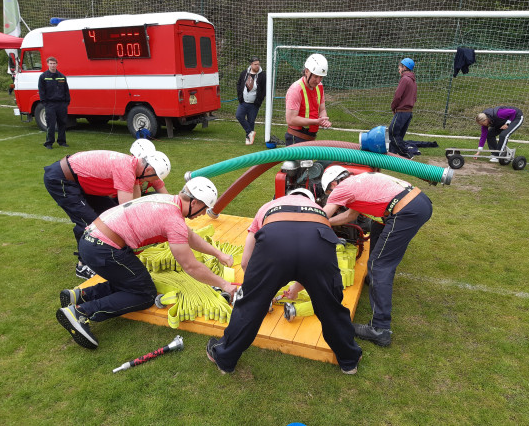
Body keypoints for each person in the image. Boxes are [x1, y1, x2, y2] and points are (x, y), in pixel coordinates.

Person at [56, 177, 237, 350]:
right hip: (103, 249)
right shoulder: (174, 220)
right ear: (195, 203)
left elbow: (189, 236)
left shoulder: (169, 201)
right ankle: (81, 312)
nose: (203, 213)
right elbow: (190, 266)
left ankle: (81, 295)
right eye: (204, 208)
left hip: (92, 240)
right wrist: (224, 285)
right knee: (145, 293)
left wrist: (218, 254)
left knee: (133, 279)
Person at [206, 188, 362, 374]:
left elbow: (247, 261)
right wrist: (296, 287)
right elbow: (309, 261)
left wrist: (258, 290)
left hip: (275, 239)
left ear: (285, 198)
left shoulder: (268, 206)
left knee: (250, 307)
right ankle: (349, 360)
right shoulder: (318, 210)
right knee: (330, 305)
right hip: (317, 240)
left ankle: (225, 358)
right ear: (310, 200)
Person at [321, 166, 432, 347]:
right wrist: (329, 223)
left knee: (379, 264)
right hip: (418, 202)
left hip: (406, 211)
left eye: (329, 191)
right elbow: (350, 215)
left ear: (334, 183)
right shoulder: (358, 179)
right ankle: (374, 280)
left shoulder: (340, 188)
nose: (331, 194)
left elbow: (325, 214)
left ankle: (380, 329)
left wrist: (315, 222)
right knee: (376, 227)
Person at [43, 139, 170, 280]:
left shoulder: (134, 167)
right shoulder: (126, 169)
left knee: (108, 215)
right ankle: (83, 265)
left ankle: (113, 253)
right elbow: (125, 211)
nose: (148, 182)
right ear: (149, 170)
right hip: (62, 179)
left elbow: (134, 204)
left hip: (80, 181)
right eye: (152, 177)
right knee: (91, 224)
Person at [284, 53, 331, 146]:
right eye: (315, 76)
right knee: (295, 161)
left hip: (310, 137)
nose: (318, 81)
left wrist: (323, 119)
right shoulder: (296, 89)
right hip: (296, 137)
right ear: (306, 71)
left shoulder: (319, 86)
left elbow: (322, 109)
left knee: (308, 161)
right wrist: (315, 121)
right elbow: (291, 119)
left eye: (321, 77)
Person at [38, 56, 71, 149]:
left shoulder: (62, 77)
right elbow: (41, 91)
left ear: (57, 64)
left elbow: (66, 91)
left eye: (54, 63)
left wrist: (66, 102)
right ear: (47, 64)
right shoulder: (43, 77)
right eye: (51, 63)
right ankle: (49, 143)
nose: (52, 65)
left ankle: (62, 141)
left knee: (62, 123)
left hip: (61, 104)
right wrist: (45, 103)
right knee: (51, 124)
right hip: (50, 104)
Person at [388, 58, 417, 159]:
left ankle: (407, 154)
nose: (398, 70)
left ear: (404, 67)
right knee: (398, 135)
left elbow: (397, 96)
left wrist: (393, 107)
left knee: (392, 133)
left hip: (402, 112)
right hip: (408, 113)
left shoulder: (404, 79)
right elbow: (415, 97)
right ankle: (391, 155)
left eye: (399, 67)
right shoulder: (413, 80)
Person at [236, 56, 266, 145]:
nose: (257, 66)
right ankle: (250, 132)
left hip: (254, 104)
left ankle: (248, 139)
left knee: (251, 121)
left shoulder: (262, 75)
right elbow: (239, 84)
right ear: (251, 64)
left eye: (258, 64)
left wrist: (259, 101)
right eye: (255, 64)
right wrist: (240, 96)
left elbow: (264, 90)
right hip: (243, 102)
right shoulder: (244, 73)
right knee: (239, 116)